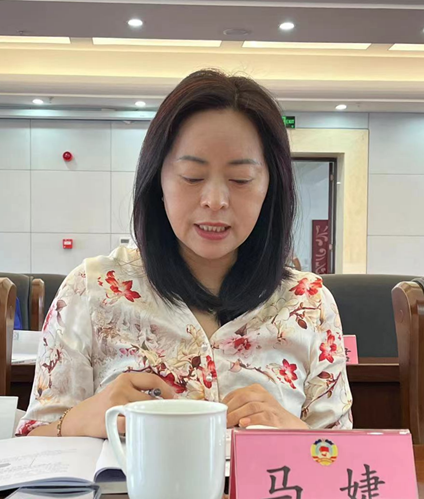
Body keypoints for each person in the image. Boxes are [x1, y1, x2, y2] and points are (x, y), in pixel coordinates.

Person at [19, 69, 352, 438]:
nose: (215, 201)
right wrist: (78, 421)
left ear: (270, 187)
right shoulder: (91, 289)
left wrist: (298, 434)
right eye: (192, 176)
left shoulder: (309, 303)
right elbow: (30, 443)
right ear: (157, 181)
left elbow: (344, 456)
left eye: (241, 180)